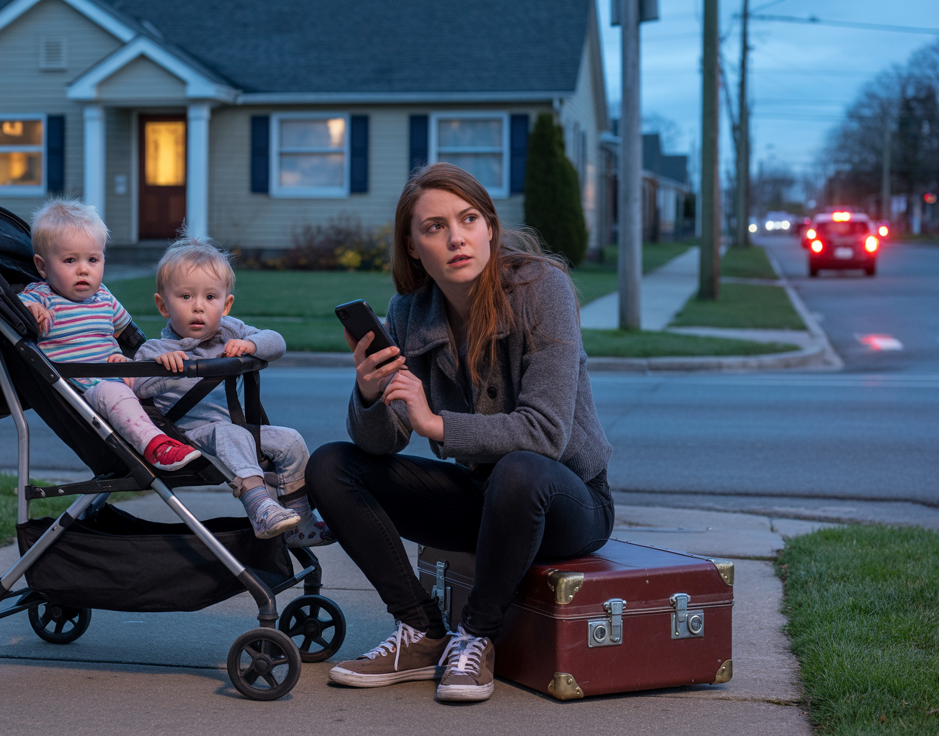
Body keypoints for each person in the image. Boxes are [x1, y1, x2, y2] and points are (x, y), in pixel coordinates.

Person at [309, 163, 614, 702]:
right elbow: (383, 444)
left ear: (490, 228)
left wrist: (435, 423)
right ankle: (422, 630)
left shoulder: (544, 289)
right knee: (332, 466)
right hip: (482, 500)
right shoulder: (409, 311)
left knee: (521, 470)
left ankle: (476, 636)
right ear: (411, 246)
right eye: (434, 227)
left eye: (468, 219)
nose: (456, 238)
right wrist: (369, 393)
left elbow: (544, 434)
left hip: (567, 500)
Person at [132, 240, 334, 547]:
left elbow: (276, 341)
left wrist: (252, 346)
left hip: (234, 433)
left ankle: (299, 523)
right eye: (185, 296)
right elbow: (136, 389)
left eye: (210, 297)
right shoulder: (157, 350)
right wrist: (160, 369)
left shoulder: (229, 331)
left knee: (290, 440)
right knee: (231, 433)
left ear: (225, 305)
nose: (198, 306)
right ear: (163, 305)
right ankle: (260, 507)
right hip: (185, 439)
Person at [18, 199, 200, 472]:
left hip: (115, 373)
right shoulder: (42, 296)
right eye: (70, 260)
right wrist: (30, 310)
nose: (84, 269)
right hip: (84, 388)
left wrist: (148, 356)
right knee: (114, 392)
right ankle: (157, 447)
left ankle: (198, 431)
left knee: (168, 378)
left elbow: (127, 336)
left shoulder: (103, 296)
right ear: (43, 267)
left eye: (93, 259)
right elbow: (14, 305)